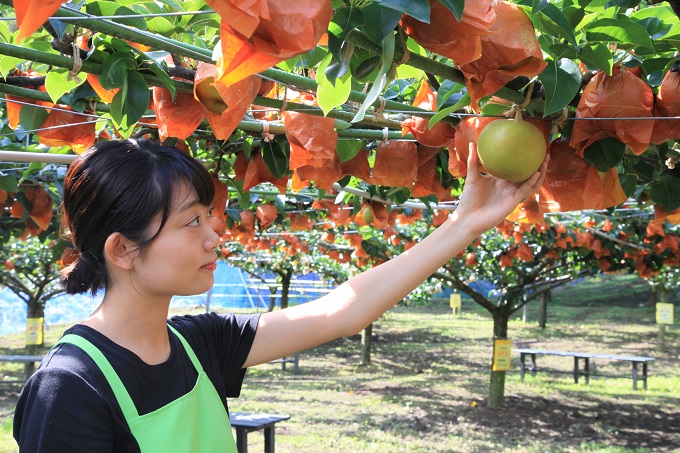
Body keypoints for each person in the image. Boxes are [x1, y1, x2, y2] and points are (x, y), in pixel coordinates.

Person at [13, 139, 547, 452]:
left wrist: (464, 223)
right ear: (124, 249)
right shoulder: (70, 390)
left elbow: (345, 309)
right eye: (191, 222)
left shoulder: (197, 346)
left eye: (209, 216)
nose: (213, 236)